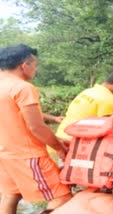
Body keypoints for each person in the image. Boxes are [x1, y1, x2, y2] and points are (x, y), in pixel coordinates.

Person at [0, 44, 72, 214]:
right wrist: (59, 147)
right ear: (24, 65)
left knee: (11, 194)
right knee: (62, 197)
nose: (35, 70)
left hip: (4, 153)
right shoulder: (23, 88)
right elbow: (36, 127)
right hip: (28, 155)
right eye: (35, 65)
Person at [56, 69, 113, 141]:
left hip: (62, 134)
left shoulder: (88, 91)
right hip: (77, 140)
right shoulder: (108, 99)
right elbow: (105, 127)